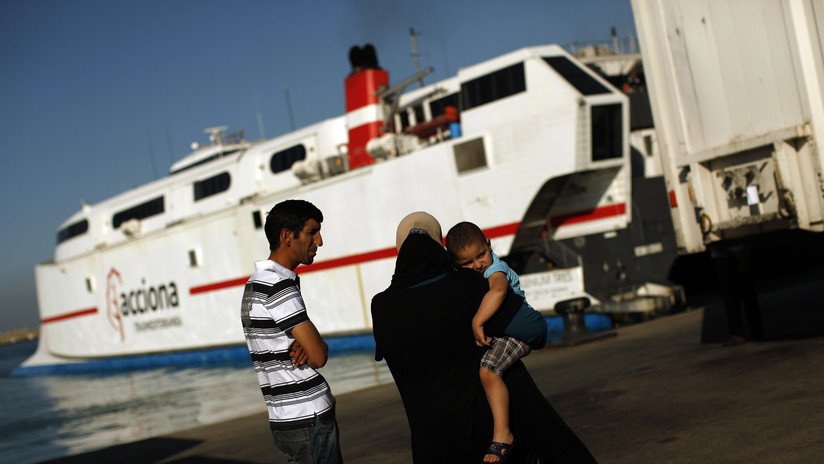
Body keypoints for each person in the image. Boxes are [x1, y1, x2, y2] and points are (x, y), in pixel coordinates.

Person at [371, 211, 596, 464]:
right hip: (490, 437)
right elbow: (536, 330)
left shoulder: (381, 307)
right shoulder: (468, 285)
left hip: (433, 444)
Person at [240, 199, 343, 464]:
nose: (319, 241)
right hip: (309, 416)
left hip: (283, 417)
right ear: (287, 236)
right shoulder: (278, 286)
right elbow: (319, 356)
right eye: (312, 232)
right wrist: (313, 345)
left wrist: (305, 344)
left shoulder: (255, 285)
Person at [445, 222, 548, 463]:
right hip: (509, 333)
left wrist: (477, 322)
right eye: (467, 263)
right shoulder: (481, 270)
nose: (478, 264)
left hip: (519, 333)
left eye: (481, 255)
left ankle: (503, 435)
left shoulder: (495, 269)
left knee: (489, 372)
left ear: (489, 245)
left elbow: (499, 292)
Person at [710, 238, 764, 346]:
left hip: (726, 259)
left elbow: (714, 244)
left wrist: (734, 255)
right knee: (747, 298)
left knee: (733, 300)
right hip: (738, 255)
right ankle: (755, 333)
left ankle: (739, 334)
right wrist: (742, 257)